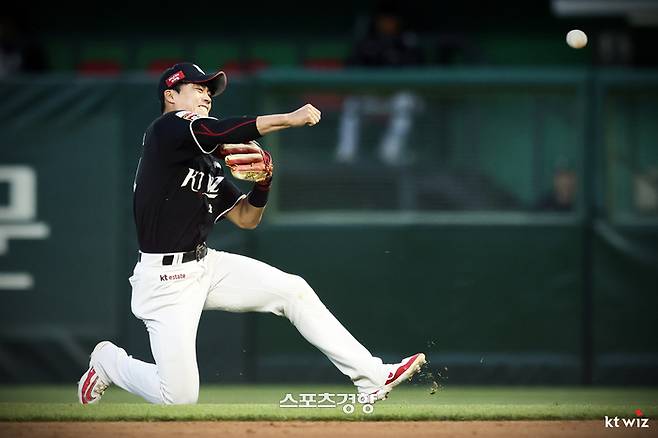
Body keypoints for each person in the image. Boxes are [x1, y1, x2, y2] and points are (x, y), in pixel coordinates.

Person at [77, 62, 426, 405]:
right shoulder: (166, 130)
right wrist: (289, 119)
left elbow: (246, 218)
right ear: (171, 95)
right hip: (165, 279)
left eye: (209, 91)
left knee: (292, 290)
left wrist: (264, 183)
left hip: (204, 265)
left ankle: (373, 377)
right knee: (179, 398)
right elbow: (219, 131)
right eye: (198, 88)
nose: (206, 96)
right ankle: (110, 362)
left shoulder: (208, 163)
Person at [336, 9, 424, 165]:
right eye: (384, 20)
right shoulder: (367, 41)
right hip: (370, 97)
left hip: (395, 99)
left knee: (405, 102)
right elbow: (351, 69)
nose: (387, 24)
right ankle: (346, 153)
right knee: (351, 104)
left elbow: (416, 71)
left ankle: (390, 152)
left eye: (391, 20)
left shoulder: (406, 42)